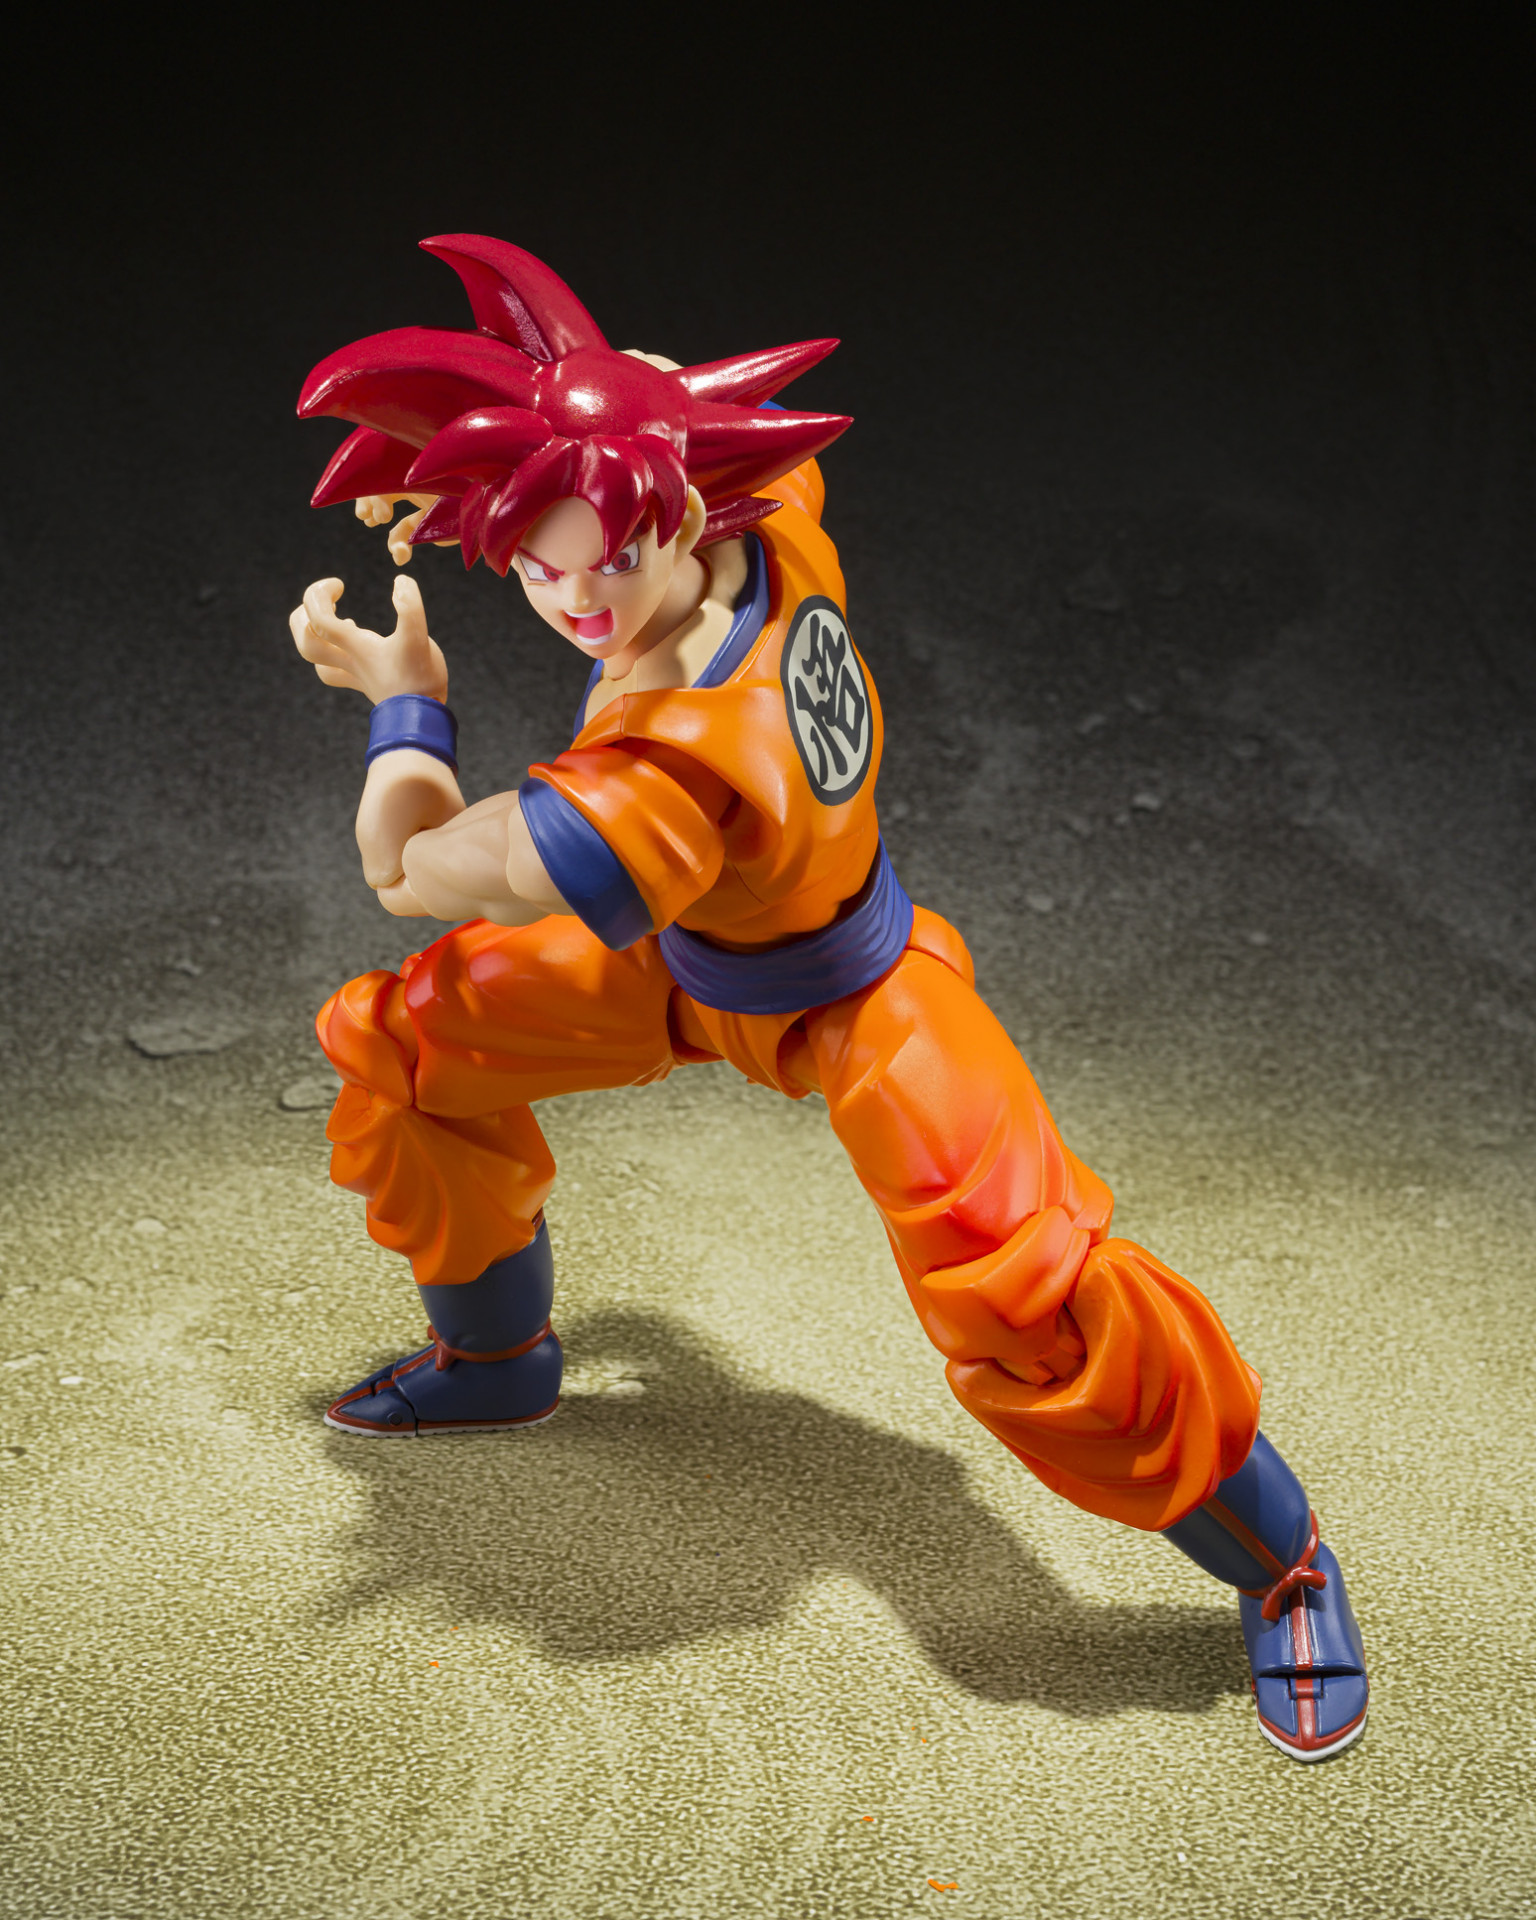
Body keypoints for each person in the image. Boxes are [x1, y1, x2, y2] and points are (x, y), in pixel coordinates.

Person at [289, 233, 1368, 1760]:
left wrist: (407, 701)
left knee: (1037, 1310)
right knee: (409, 1046)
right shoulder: (770, 518)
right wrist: (489, 457)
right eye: (538, 565)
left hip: (860, 1000)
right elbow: (652, 387)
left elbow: (405, 867)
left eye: (610, 561)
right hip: (681, 965)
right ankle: (496, 1360)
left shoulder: (656, 781)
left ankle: (1286, 1561)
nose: (579, 601)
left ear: (677, 518)